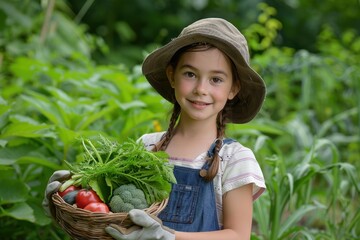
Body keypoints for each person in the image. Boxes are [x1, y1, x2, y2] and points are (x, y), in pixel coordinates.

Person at [43, 18, 266, 240]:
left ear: (233, 89)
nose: (201, 89)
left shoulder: (234, 160)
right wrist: (69, 201)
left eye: (216, 79)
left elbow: (238, 235)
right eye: (190, 74)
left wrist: (168, 237)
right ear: (172, 76)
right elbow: (115, 218)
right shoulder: (146, 147)